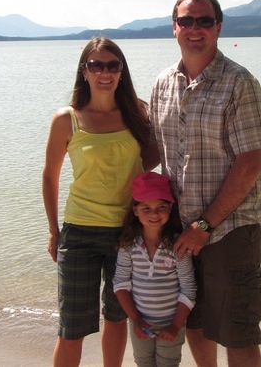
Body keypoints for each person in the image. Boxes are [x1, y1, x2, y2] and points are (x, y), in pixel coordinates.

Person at [148, 0, 261, 366]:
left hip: (229, 229)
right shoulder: (162, 84)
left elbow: (250, 163)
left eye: (204, 21)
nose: (195, 29)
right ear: (174, 28)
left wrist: (205, 224)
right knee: (195, 322)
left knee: (237, 330)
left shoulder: (239, 82)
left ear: (218, 27)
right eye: (186, 21)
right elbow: (155, 152)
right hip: (178, 229)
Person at [42, 36, 156, 367]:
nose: (104, 72)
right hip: (78, 234)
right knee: (72, 327)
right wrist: (53, 231)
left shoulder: (138, 112)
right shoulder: (67, 119)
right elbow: (50, 177)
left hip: (126, 233)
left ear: (121, 71)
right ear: (85, 71)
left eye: (112, 65)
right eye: (96, 65)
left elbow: (148, 160)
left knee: (117, 317)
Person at [113, 171, 196, 367]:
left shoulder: (178, 245)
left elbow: (189, 289)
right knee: (143, 363)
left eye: (161, 207)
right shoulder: (128, 245)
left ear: (170, 207)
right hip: (139, 322)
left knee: (168, 364)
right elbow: (120, 284)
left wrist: (176, 325)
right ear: (135, 210)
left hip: (172, 324)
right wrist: (135, 319)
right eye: (146, 208)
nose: (154, 214)